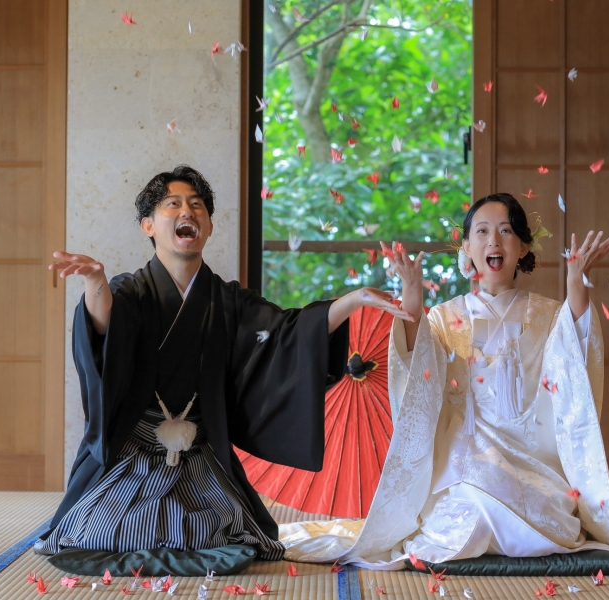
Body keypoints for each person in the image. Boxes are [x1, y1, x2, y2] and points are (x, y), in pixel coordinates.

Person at [280, 193, 609, 571]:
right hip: (463, 461)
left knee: (554, 519)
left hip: (532, 461)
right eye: (482, 231)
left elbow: (574, 362)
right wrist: (412, 301)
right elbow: (418, 377)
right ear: (467, 249)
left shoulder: (548, 315)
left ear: (523, 247)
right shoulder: (445, 317)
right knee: (468, 514)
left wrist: (577, 285)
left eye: (506, 231)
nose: (493, 240)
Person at [36, 165, 412, 559]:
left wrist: (352, 300)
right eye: (173, 204)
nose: (188, 211)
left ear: (210, 226)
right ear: (148, 225)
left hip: (199, 455)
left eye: (197, 205)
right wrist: (95, 282)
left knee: (211, 532)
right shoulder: (131, 292)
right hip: (134, 453)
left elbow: (289, 332)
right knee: (105, 530)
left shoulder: (229, 301)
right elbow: (103, 330)